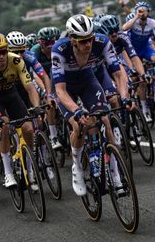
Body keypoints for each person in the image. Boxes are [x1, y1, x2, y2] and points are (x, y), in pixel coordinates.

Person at [52, 14, 128, 196]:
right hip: (66, 87)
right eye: (83, 41)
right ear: (73, 40)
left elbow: (118, 74)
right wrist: (76, 110)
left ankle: (115, 174)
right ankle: (77, 166)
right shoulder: (60, 49)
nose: (88, 44)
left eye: (90, 39)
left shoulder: (101, 42)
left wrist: (125, 97)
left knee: (105, 119)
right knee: (79, 125)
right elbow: (60, 91)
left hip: (87, 80)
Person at [0, 33, 41, 188]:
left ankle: (30, 168)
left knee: (28, 128)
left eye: (4, 51)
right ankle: (8, 173)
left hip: (11, 94)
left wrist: (37, 107)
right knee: (4, 125)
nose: (1, 56)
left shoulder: (16, 60)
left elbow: (30, 88)